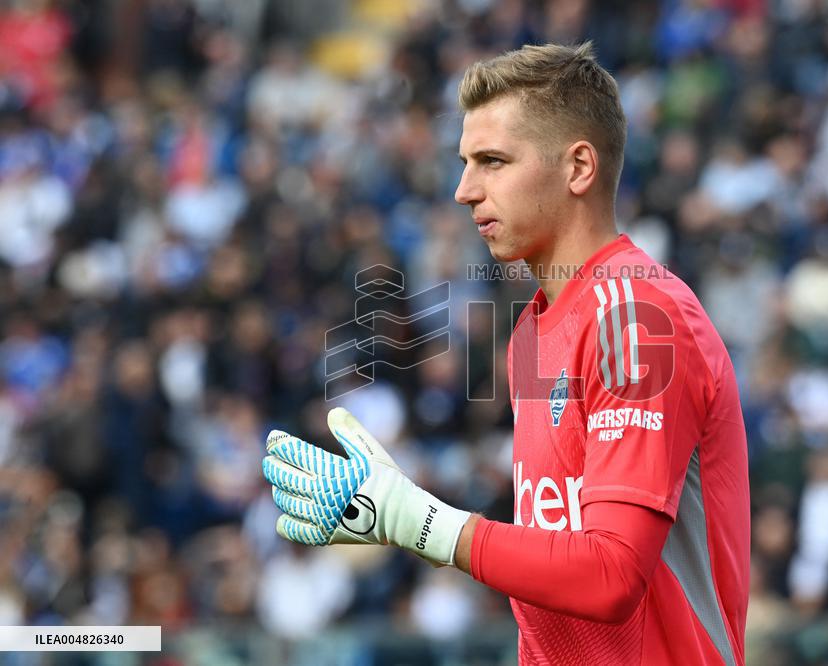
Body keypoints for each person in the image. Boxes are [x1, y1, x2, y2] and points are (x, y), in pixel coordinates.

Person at [262, 42, 750, 665]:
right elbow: (553, 556)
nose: (464, 190)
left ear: (579, 168)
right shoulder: (531, 332)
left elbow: (610, 574)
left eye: (492, 161)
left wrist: (426, 523)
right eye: (465, 163)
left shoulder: (636, 318)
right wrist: (401, 512)